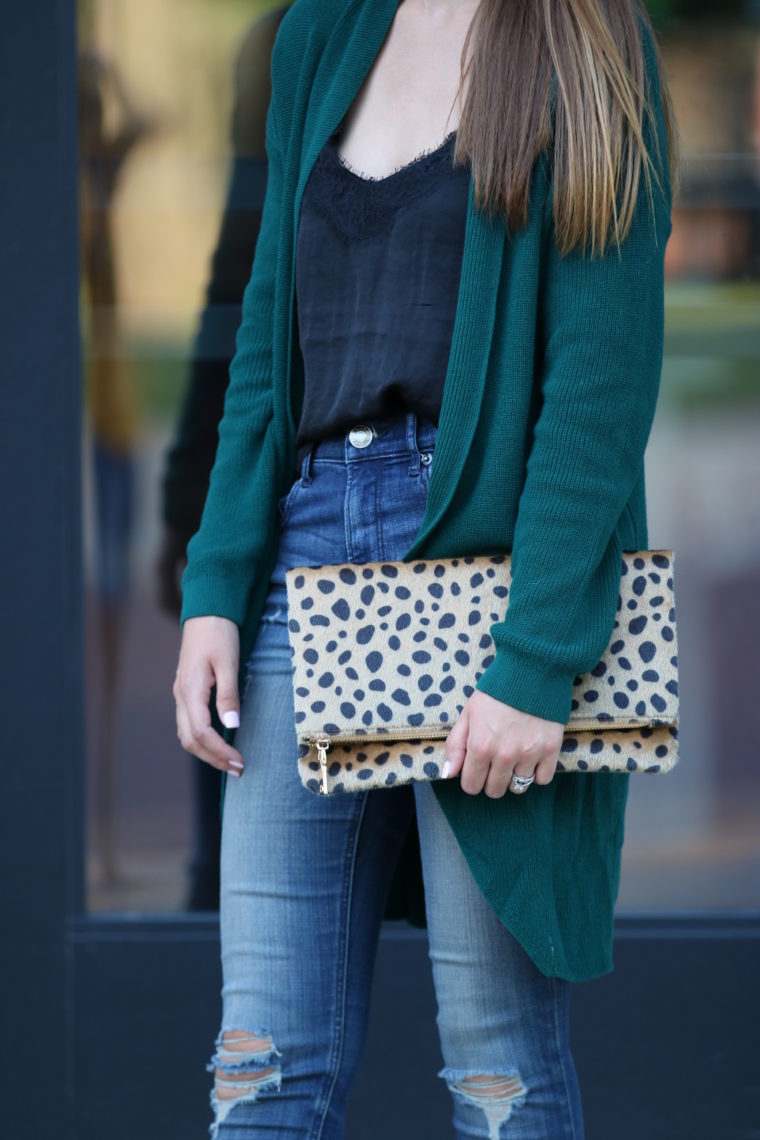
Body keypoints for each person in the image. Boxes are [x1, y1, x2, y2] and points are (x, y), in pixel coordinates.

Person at [172, 0, 679, 1135]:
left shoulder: (580, 37)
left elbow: (599, 384)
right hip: (305, 566)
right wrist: (216, 586)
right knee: (258, 1066)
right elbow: (268, 334)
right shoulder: (320, 34)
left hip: (491, 578)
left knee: (498, 1075)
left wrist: (535, 663)